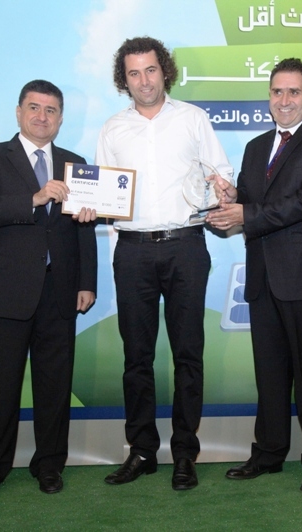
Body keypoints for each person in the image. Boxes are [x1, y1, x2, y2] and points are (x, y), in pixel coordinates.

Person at [96, 36, 233, 491]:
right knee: (136, 356)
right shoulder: (113, 129)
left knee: (187, 353)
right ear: (124, 80)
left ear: (164, 71)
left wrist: (223, 188)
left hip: (185, 246)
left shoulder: (193, 119)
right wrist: (90, 205)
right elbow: (103, 195)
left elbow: (222, 174)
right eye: (133, 73)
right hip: (132, 250)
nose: (144, 81)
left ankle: (185, 454)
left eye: (150, 70)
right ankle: (141, 450)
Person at [206, 58, 302, 492]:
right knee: (269, 374)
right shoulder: (256, 147)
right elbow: (252, 202)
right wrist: (231, 198)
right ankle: (268, 453)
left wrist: (246, 212)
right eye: (277, 92)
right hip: (263, 276)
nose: (284, 100)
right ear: (269, 96)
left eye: (293, 92)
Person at [0, 79, 98, 500]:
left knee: (55, 387)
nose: (42, 117)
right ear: (19, 112)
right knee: (2, 387)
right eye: (35, 108)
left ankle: (49, 465)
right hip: (7, 291)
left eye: (51, 110)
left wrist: (87, 282)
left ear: (60, 118)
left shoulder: (75, 164)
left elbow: (84, 230)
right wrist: (34, 198)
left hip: (60, 291)